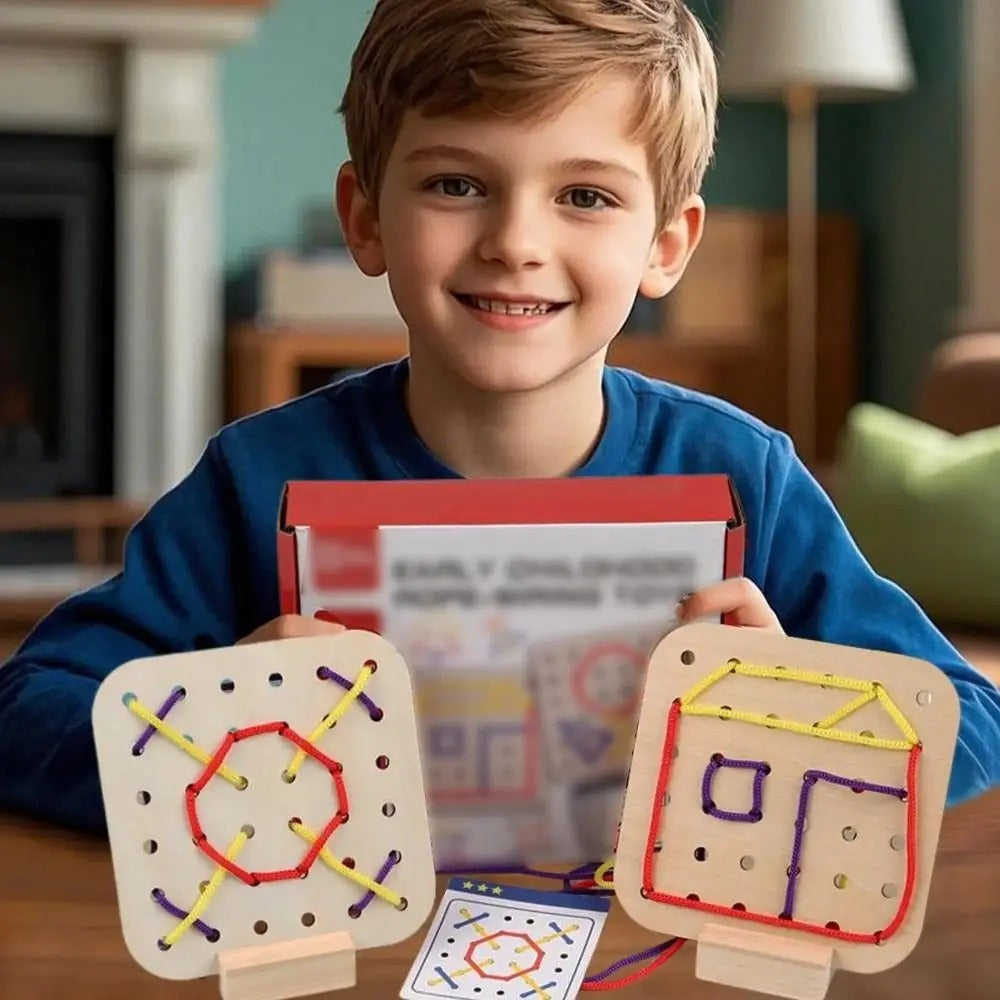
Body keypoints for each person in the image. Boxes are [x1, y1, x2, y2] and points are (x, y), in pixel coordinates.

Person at [1, 0, 997, 836]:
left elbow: (976, 732)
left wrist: (797, 721)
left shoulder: (744, 476)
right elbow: (26, 710)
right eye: (456, 184)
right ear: (365, 219)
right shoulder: (259, 479)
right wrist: (211, 728)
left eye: (583, 195)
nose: (515, 241)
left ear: (666, 243)